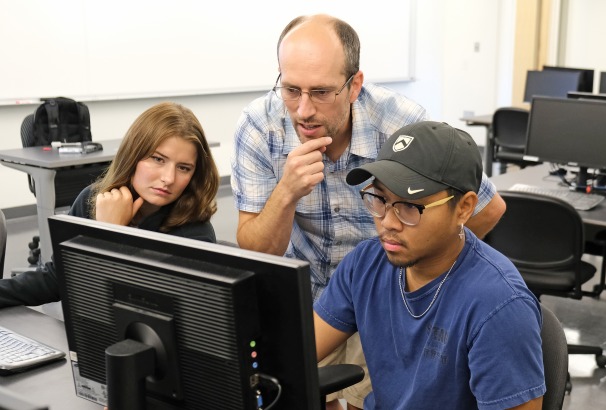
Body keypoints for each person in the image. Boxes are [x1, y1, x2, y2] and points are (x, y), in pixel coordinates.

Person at [230, 14, 506, 409]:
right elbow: (257, 252)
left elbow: (486, 208)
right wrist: (286, 193)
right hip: (307, 299)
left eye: (322, 92)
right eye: (291, 89)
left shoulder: (400, 124)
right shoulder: (260, 127)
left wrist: (415, 265)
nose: (303, 110)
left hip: (387, 301)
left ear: (354, 85)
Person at [314, 120, 544, 409]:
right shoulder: (365, 263)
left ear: (464, 208)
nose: (387, 222)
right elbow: (301, 352)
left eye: (410, 206)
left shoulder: (499, 305)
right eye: (379, 199)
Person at [0, 101, 220, 307]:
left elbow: (130, 303)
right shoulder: (91, 200)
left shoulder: (195, 234)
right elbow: (58, 277)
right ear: (133, 155)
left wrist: (111, 233)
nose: (169, 178)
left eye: (184, 168)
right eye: (158, 159)